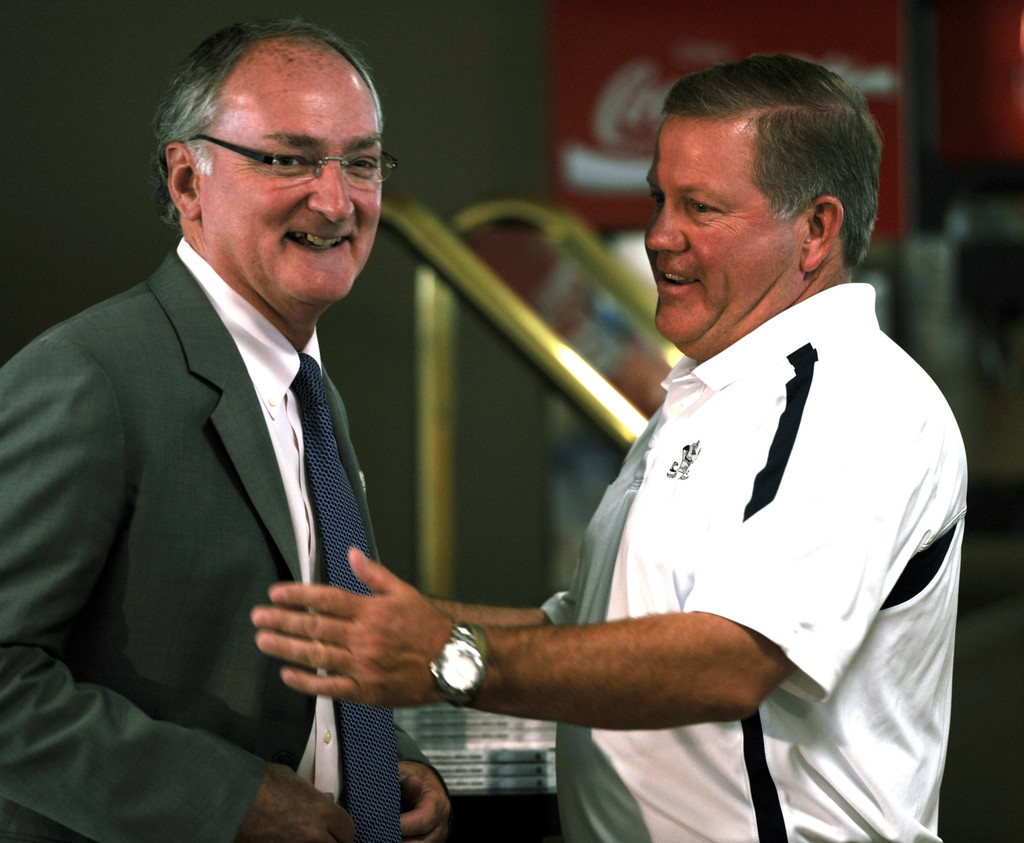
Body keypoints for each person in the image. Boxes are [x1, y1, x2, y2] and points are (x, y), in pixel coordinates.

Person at [251, 53, 968, 842]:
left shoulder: (857, 400)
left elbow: (731, 660)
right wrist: (370, 625)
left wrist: (451, 656)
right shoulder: (708, 392)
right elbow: (587, 629)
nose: (661, 236)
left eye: (701, 208)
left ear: (816, 230)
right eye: (660, 199)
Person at [0, 19, 449, 843]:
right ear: (187, 180)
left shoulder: (308, 387)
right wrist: (225, 800)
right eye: (287, 158)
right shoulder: (89, 376)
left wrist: (387, 760)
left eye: (361, 160)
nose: (335, 198)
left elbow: (312, 647)